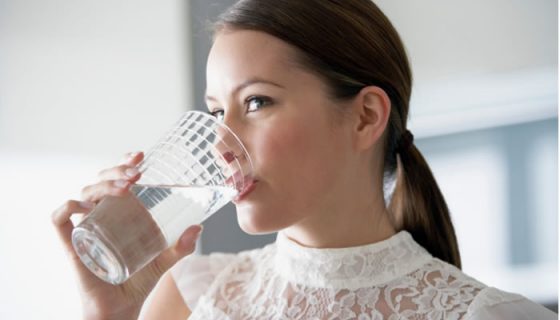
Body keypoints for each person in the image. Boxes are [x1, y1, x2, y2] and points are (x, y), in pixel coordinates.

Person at [52, 0, 557, 319]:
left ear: (365, 117)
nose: (221, 143)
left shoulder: (491, 315)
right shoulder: (189, 296)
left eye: (256, 102)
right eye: (213, 111)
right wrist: (110, 315)